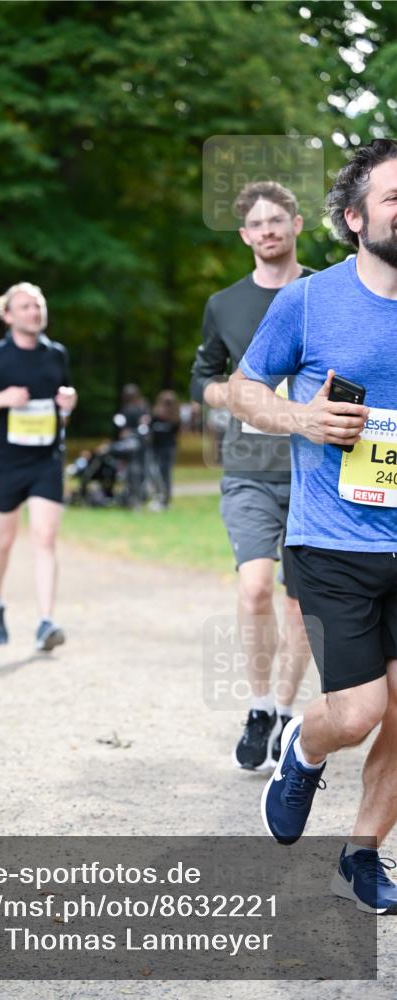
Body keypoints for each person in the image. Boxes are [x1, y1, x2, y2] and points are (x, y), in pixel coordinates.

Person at [228, 138, 397, 913]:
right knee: (358, 713)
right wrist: (301, 417)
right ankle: (302, 743)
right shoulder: (308, 300)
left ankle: (361, 855)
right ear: (354, 218)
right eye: (394, 198)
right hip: (333, 541)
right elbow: (243, 390)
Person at [190, 180, 314, 772]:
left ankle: (287, 713)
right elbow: (203, 376)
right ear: (245, 235)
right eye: (257, 224)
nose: (268, 231)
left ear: (295, 224)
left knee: (302, 603)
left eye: (276, 220)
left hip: (316, 470)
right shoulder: (224, 304)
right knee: (256, 587)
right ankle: (259, 707)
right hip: (249, 470)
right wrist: (230, 394)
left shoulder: (326, 291)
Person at [0, 281, 77, 651]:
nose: (34, 312)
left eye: (38, 305)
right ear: (8, 316)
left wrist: (68, 405)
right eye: (25, 306)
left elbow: (62, 409)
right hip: (8, 463)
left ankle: (46, 622)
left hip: (47, 460)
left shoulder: (56, 355)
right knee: (4, 540)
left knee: (44, 537)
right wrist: (2, 398)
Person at [151, 390, 180, 506]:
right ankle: (159, 495)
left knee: (165, 473)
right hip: (157, 448)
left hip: (168, 448)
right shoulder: (155, 415)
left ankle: (165, 498)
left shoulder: (175, 417)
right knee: (155, 473)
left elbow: (176, 432)